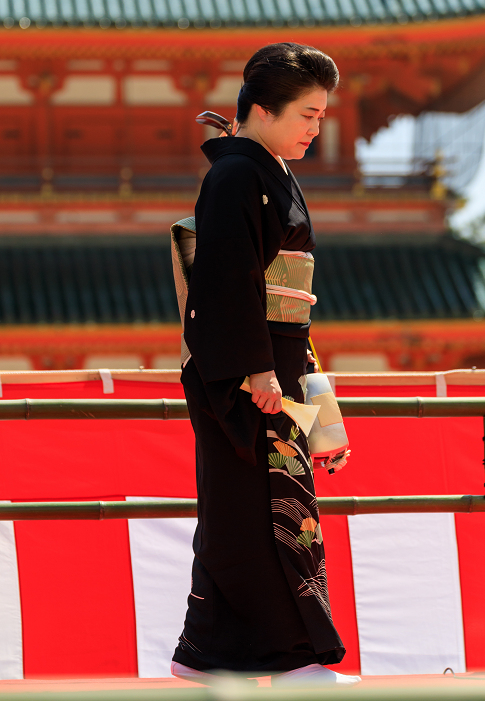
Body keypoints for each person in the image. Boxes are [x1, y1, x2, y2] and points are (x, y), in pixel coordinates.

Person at [171, 42, 359, 687]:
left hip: (276, 362)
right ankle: (291, 657)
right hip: (250, 372)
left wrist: (321, 410)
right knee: (262, 511)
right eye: (307, 114)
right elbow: (227, 282)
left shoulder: (266, 171)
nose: (316, 127)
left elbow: (291, 306)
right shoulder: (235, 177)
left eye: (320, 115)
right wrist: (255, 372)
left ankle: (209, 653)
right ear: (261, 109)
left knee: (248, 511)